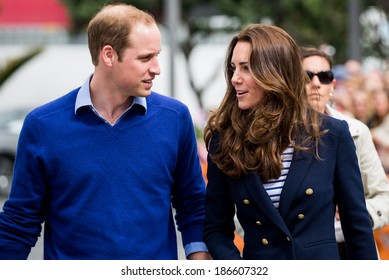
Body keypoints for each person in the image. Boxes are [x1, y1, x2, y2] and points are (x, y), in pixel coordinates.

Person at [0, 3, 211, 260]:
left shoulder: (174, 118)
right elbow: (20, 220)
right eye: (146, 57)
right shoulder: (43, 125)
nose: (156, 68)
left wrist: (201, 266)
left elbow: (193, 205)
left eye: (157, 55)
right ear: (109, 55)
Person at [202, 23, 378, 260]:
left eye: (246, 68)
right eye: (233, 68)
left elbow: (356, 227)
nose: (235, 78)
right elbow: (216, 229)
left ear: (276, 71)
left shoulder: (331, 133)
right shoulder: (225, 141)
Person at [301, 47, 389, 259]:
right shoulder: (277, 135)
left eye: (324, 76)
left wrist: (357, 212)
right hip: (300, 253)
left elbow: (383, 196)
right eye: (307, 76)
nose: (316, 84)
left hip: (353, 248)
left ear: (332, 85)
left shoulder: (356, 131)